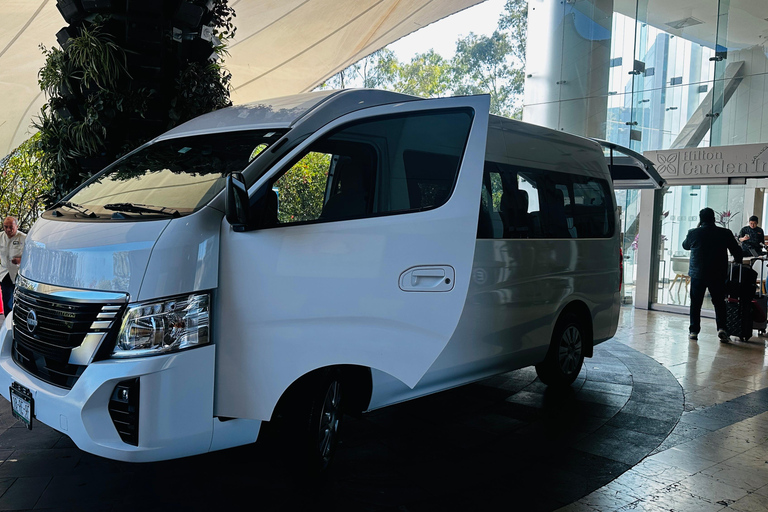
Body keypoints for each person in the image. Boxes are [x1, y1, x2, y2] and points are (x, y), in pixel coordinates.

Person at [682, 207, 742, 342]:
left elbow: (685, 246)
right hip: (718, 274)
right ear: (714, 219)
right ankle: (722, 328)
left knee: (696, 303)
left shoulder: (693, 233)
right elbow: (736, 251)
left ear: (700, 219)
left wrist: (697, 229)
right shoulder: (725, 233)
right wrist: (738, 261)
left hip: (698, 274)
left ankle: (693, 331)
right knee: (719, 303)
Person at [0, 217, 26, 314]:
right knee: (7, 301)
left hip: (19, 273)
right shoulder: (1, 237)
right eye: (6, 227)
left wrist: (20, 260)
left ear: (17, 226)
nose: (8, 230)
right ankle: (8, 322)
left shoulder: (24, 238)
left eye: (11, 227)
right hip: (5, 273)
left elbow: (32, 256)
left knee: (21, 300)